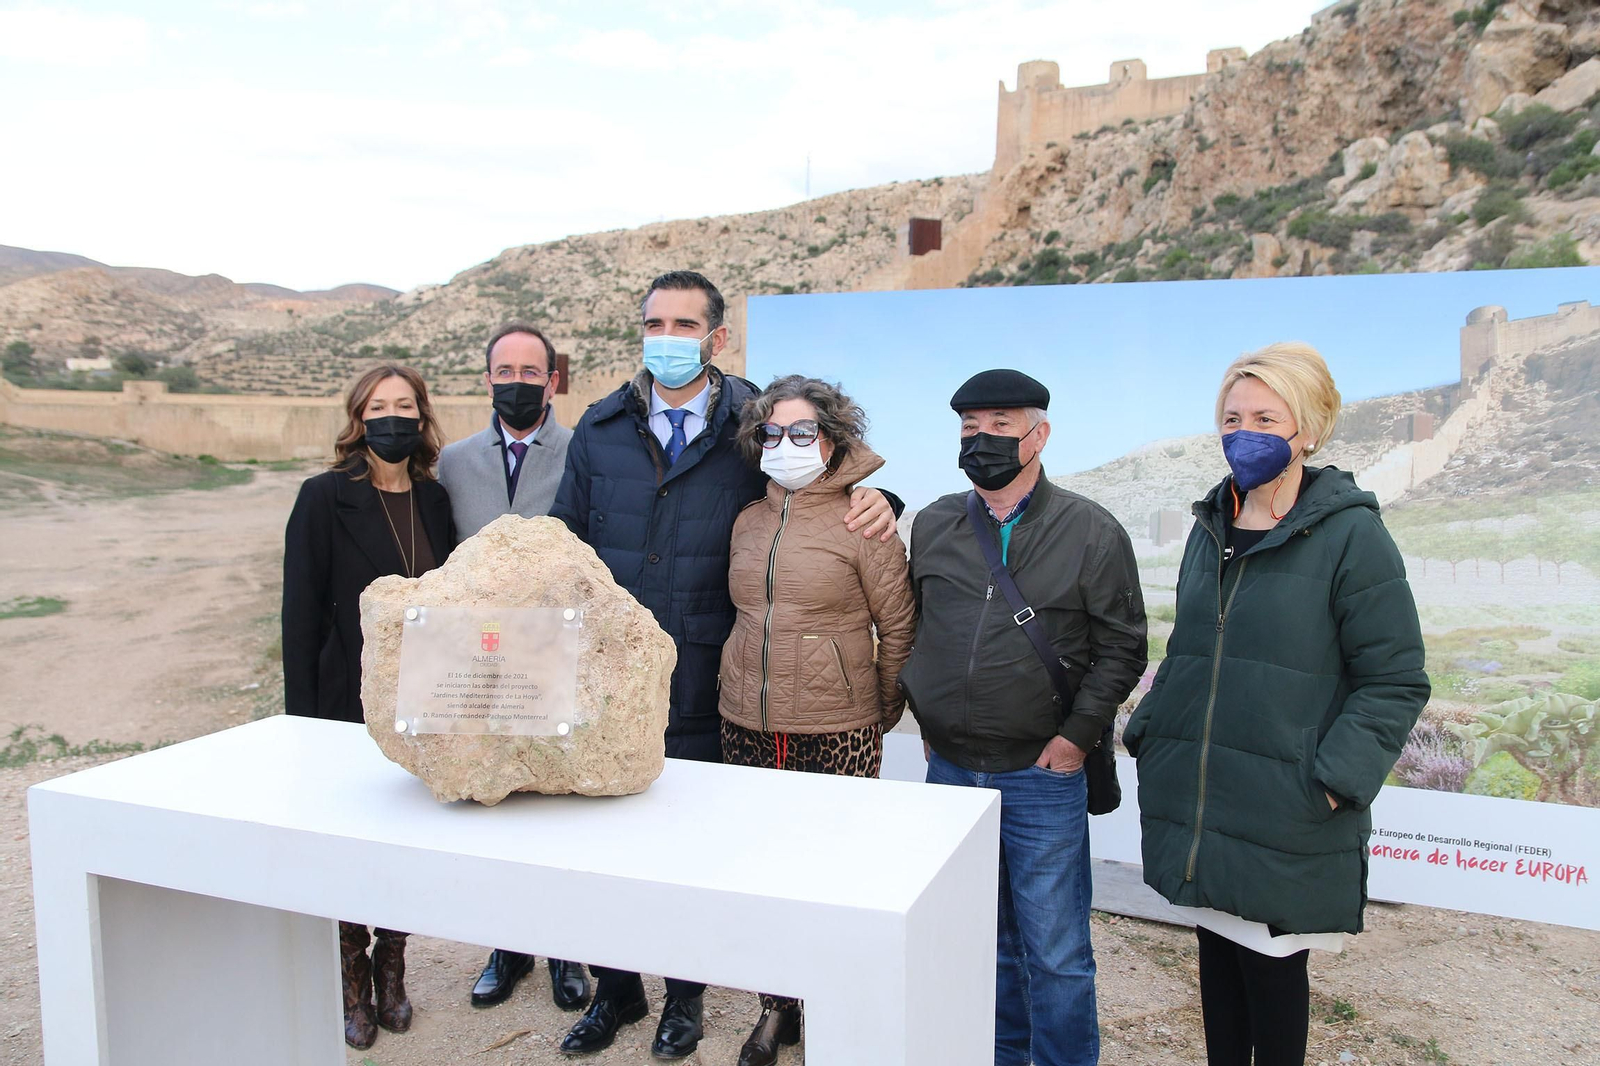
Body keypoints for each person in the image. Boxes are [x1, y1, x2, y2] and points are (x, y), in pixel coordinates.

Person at [550, 270, 900, 1059]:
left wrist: (889, 501)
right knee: (608, 847)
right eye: (653, 323)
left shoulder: (754, 428)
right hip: (612, 680)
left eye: (684, 324)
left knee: (693, 852)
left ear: (717, 337)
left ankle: (685, 999)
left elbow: (816, 492)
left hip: (710, 681)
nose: (665, 338)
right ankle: (616, 993)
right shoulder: (600, 429)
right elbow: (564, 539)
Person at [1122, 343, 1428, 1066]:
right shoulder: (1210, 527)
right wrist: (1153, 732)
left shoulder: (1352, 534)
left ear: (1309, 428)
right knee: (1218, 965)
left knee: (1272, 972)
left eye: (1265, 416)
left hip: (1283, 807)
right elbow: (1194, 650)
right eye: (1232, 417)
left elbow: (1396, 678)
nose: (1243, 431)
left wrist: (1328, 782)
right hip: (1203, 799)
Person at [899, 369, 1147, 1066]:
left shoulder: (1090, 530)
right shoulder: (938, 522)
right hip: (950, 770)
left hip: (1041, 774)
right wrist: (931, 715)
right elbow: (921, 627)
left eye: (1000, 425)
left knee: (1056, 952)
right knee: (984, 940)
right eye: (969, 429)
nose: (982, 440)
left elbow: (1123, 648)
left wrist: (1074, 740)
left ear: (1039, 435)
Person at [718, 376, 916, 1066]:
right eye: (773, 433)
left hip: (836, 727)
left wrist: (877, 709)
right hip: (745, 721)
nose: (786, 445)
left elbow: (899, 627)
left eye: (803, 432)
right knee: (766, 875)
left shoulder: (865, 520)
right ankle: (776, 1013)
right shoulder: (748, 520)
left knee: (834, 876)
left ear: (833, 439)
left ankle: (837, 1008)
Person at [282, 364, 455, 1050]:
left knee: (403, 833)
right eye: (379, 407)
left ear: (421, 417)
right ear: (359, 420)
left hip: (423, 697)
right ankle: (352, 975)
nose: (393, 418)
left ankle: (394, 963)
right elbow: (300, 616)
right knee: (349, 840)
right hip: (342, 698)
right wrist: (299, 723)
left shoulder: (435, 500)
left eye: (404, 406)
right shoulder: (323, 497)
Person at [437, 321, 589, 1014]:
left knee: (554, 804)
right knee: (493, 804)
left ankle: (565, 951)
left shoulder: (581, 451)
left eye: (533, 372)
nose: (519, 383)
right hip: (476, 661)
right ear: (487, 377)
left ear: (553, 381)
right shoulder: (454, 460)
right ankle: (506, 945)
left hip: (557, 653)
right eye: (507, 371)